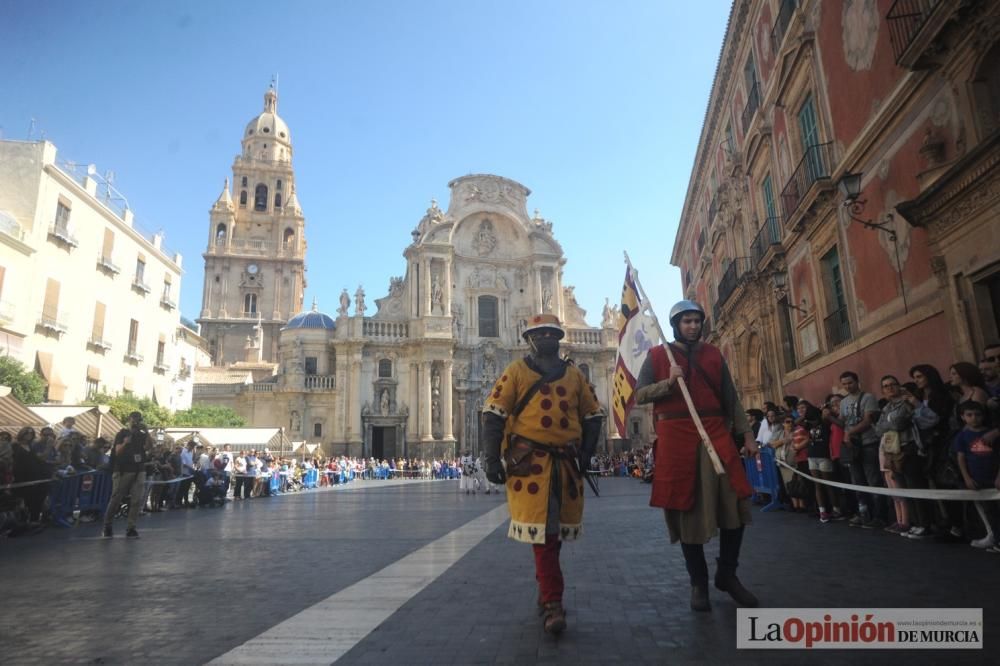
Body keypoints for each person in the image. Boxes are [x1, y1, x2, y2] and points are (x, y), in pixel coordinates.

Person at [481, 313, 604, 634]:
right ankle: (553, 603)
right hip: (530, 467)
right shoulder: (516, 371)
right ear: (529, 340)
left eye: (553, 333)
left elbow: (594, 414)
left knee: (553, 535)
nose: (548, 338)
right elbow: (493, 415)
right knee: (546, 537)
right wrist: (491, 460)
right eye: (540, 333)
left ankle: (545, 591)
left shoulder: (574, 374)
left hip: (566, 466)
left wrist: (587, 453)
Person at [633, 300, 758, 612]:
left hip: (715, 431)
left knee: (734, 502)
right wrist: (669, 381)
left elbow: (730, 397)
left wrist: (746, 433)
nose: (692, 326)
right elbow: (641, 394)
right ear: (676, 325)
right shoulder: (658, 355)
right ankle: (698, 582)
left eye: (696, 321)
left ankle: (727, 574)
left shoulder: (713, 354)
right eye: (686, 321)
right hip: (677, 438)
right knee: (686, 509)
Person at [836, 371, 887, 529]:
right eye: (844, 384)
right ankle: (865, 513)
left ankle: (880, 516)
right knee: (857, 482)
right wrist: (829, 417)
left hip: (868, 443)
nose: (847, 386)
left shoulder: (868, 398)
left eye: (850, 383)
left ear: (857, 382)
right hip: (852, 447)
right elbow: (842, 423)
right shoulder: (844, 402)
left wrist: (850, 433)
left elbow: (867, 421)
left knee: (873, 481)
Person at [952, 400, 999, 548]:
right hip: (976, 479)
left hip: (994, 477)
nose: (974, 418)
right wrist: (967, 478)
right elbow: (961, 458)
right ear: (963, 417)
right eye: (969, 415)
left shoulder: (991, 435)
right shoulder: (961, 436)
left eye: (977, 414)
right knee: (988, 510)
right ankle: (995, 538)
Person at [102, 412, 150, 538]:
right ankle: (107, 525)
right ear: (129, 420)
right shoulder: (122, 433)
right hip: (123, 469)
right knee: (116, 497)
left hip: (139, 469)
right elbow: (117, 451)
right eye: (134, 419)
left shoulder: (141, 435)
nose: (136, 422)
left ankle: (131, 527)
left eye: (138, 420)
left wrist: (147, 432)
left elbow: (149, 447)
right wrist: (125, 442)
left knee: (136, 500)